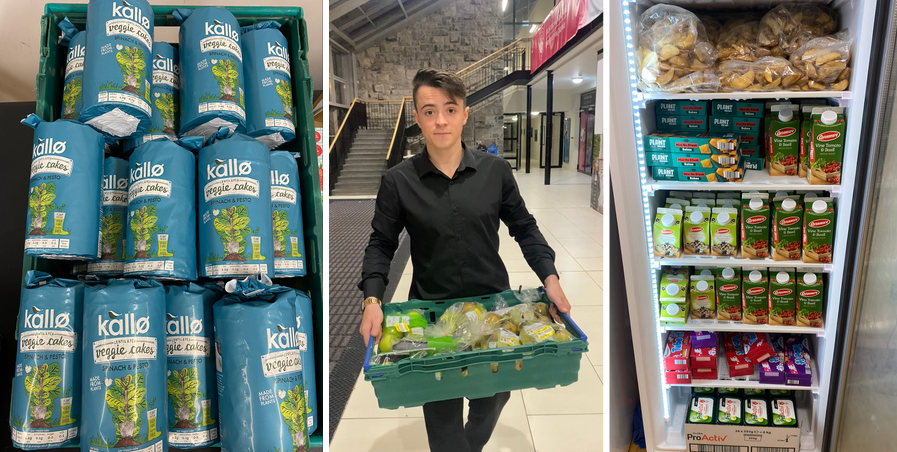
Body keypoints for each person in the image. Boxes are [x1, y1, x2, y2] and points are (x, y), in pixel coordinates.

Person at [358, 68, 572, 452]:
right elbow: (380, 244)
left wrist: (550, 277)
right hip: (432, 314)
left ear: (465, 114)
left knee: (494, 397)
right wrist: (372, 299)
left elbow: (525, 227)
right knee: (441, 414)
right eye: (429, 111)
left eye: (450, 109)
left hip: (494, 308)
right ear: (418, 118)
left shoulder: (496, 171)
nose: (440, 120)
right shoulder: (398, 181)